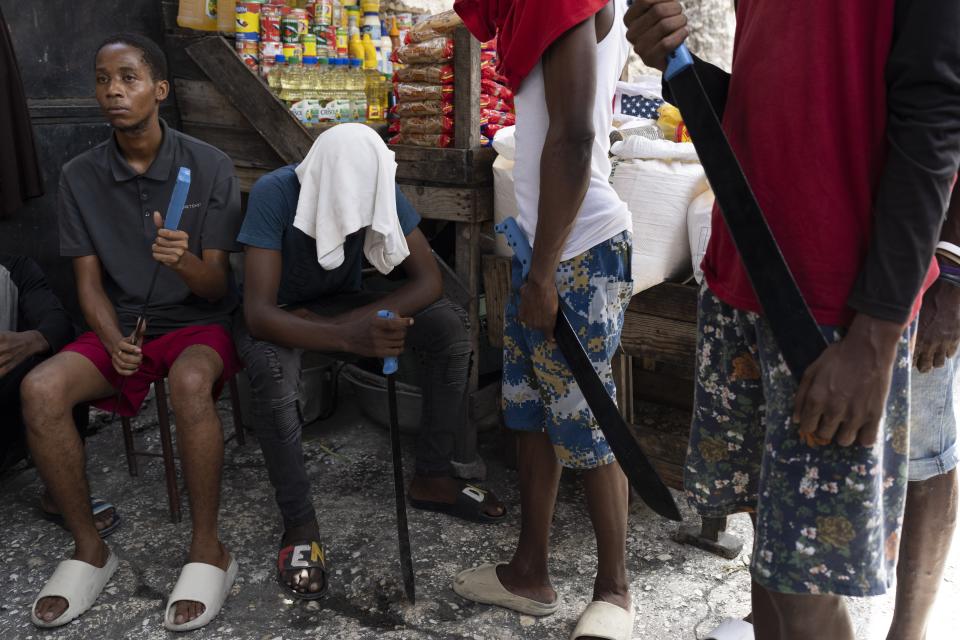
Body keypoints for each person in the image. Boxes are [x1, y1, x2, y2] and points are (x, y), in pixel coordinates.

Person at [625, 1, 960, 639]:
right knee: (773, 560)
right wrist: (678, 65)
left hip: (837, 308)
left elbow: (937, 116)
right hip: (745, 272)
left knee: (806, 589)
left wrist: (875, 335)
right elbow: (775, 109)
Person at [20, 33, 244, 631]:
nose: (113, 91)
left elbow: (217, 287)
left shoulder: (209, 165)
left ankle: (207, 550)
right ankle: (90, 549)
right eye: (102, 79)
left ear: (159, 90)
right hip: (123, 326)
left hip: (195, 323)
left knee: (192, 384)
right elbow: (88, 283)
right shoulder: (80, 175)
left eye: (128, 77)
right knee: (40, 390)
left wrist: (184, 261)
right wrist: (111, 336)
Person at [235, 123, 506, 601]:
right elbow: (258, 314)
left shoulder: (377, 180)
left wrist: (365, 323)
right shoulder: (276, 192)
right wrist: (346, 338)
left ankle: (433, 477)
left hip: (342, 302)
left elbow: (428, 283)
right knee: (275, 378)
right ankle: (299, 523)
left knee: (448, 328)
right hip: (281, 314)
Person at [452, 1, 637, 638]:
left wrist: (543, 274)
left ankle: (615, 592)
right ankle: (529, 571)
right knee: (530, 415)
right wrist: (535, 262)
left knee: (588, 422)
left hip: (576, 251)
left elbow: (576, 135)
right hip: (543, 245)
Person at [0, 254, 121, 536]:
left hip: (4, 424)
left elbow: (57, 320)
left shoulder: (14, 267)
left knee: (63, 356)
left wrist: (32, 341)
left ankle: (59, 495)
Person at [887, 179, 960, 640]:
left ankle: (909, 631)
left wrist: (953, 279)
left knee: (923, 450)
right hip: (847, 252)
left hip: (927, 270)